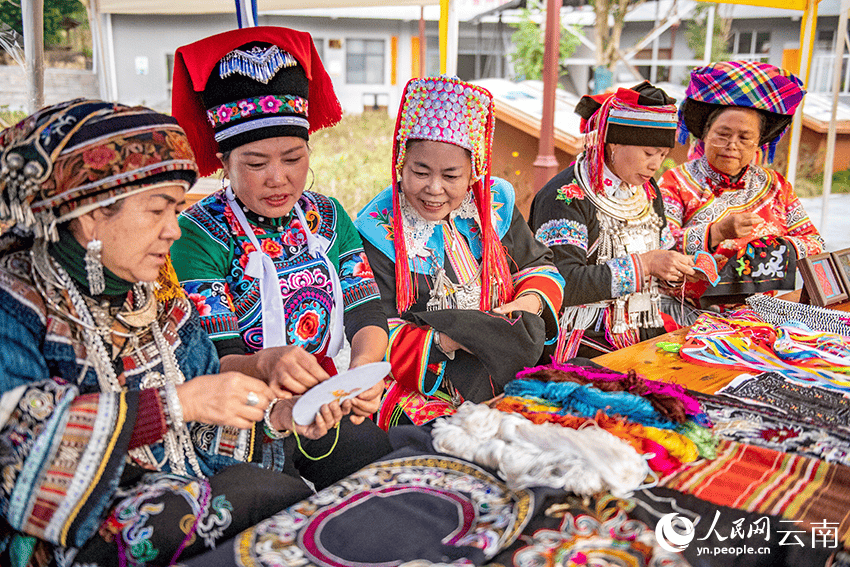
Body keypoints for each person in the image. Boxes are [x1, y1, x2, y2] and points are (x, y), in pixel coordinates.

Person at [0, 101, 359, 566]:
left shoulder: (159, 303)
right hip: (69, 535)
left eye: (175, 209)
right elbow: (17, 445)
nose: (173, 230)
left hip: (178, 493)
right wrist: (176, 404)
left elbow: (200, 426)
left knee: (285, 491)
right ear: (90, 216)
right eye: (157, 211)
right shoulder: (15, 304)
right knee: (259, 497)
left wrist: (280, 416)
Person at [169, 27, 391, 473]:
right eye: (256, 163)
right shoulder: (197, 233)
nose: (278, 178)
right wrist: (265, 363)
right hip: (242, 421)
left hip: (328, 400)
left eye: (293, 159)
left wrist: (364, 372)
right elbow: (216, 356)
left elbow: (366, 310)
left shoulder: (327, 216)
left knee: (376, 464)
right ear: (224, 161)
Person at [355, 76, 565, 429]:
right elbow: (374, 328)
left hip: (503, 366)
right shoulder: (377, 229)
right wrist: (450, 339)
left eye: (451, 176)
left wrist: (525, 305)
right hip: (421, 383)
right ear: (401, 166)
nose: (434, 189)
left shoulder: (493, 205)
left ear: (473, 174)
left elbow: (538, 266)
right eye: (420, 172)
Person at [528, 82, 696, 358]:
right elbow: (561, 282)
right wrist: (645, 265)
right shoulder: (565, 196)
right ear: (614, 143)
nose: (655, 165)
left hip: (643, 330)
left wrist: (675, 270)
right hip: (581, 341)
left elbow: (662, 253)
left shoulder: (647, 191)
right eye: (648, 153)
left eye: (663, 155)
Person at [660, 60, 824, 309]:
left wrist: (775, 248)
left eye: (745, 138)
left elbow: (815, 243)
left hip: (759, 311)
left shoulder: (776, 186)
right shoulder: (675, 182)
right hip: (687, 310)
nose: (732, 145)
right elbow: (660, 244)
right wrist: (717, 232)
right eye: (723, 135)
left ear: (759, 143)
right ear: (705, 135)